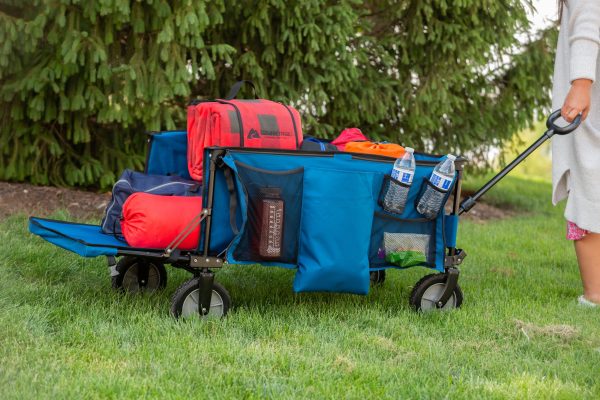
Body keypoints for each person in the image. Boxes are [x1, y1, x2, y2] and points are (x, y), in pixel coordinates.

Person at [552, 0, 600, 306]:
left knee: (588, 186)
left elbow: (588, 17)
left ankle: (594, 296)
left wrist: (581, 84)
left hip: (590, 100)